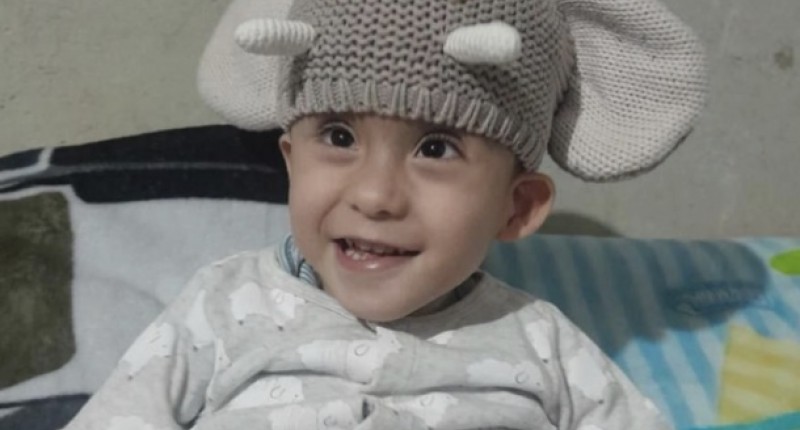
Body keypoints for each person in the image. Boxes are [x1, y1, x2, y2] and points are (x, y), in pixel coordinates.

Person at [64, 0, 707, 428]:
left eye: (437, 149)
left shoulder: (542, 343)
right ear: (291, 161)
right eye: (339, 137)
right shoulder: (224, 304)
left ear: (516, 208)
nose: (374, 196)